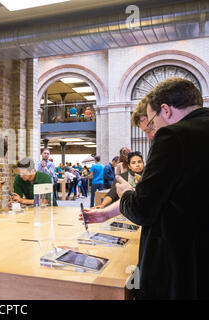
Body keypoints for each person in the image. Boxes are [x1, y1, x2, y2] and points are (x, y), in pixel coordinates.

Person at [82, 77, 209, 299]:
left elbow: (143, 209)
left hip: (177, 261)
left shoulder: (172, 135)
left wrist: (127, 193)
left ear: (166, 111)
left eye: (152, 122)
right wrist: (107, 212)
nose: (153, 131)